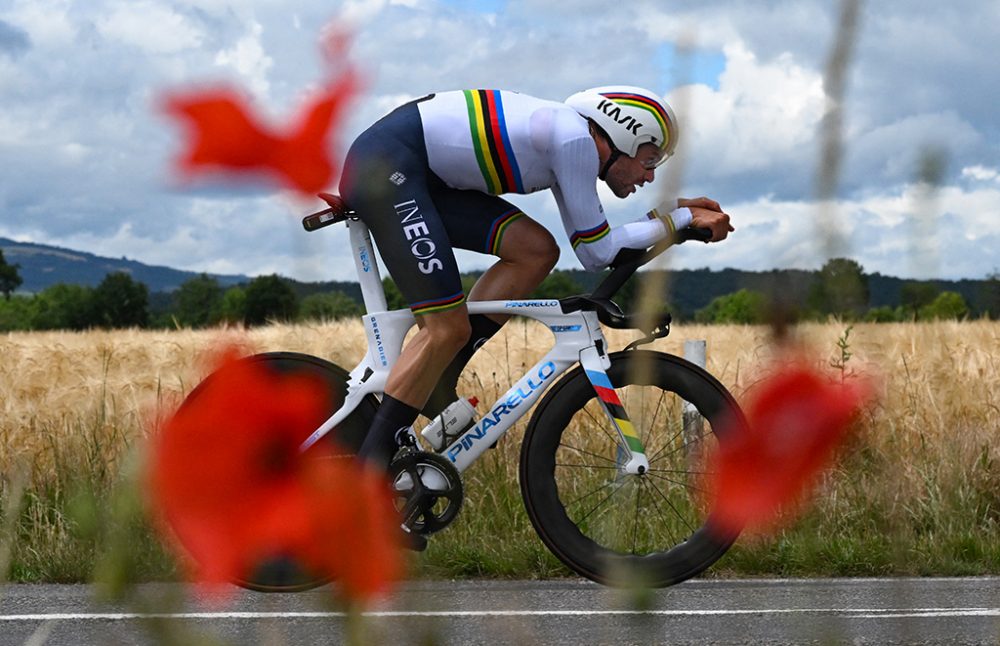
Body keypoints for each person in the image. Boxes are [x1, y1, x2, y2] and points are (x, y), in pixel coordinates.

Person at [339, 85, 733, 481]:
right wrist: (678, 221)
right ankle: (367, 483)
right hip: (387, 170)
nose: (649, 176)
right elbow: (597, 253)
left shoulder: (570, 139)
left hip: (414, 172)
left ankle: (442, 374)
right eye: (648, 161)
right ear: (622, 136)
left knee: (535, 250)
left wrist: (668, 216)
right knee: (446, 329)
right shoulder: (575, 141)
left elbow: (593, 242)